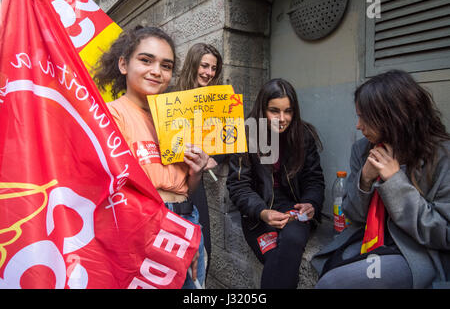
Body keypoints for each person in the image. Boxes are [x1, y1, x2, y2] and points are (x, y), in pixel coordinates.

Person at [93, 26, 209, 289]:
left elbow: (184, 190)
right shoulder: (110, 115)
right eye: (146, 60)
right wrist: (172, 237)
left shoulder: (174, 119)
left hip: (188, 221)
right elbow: (116, 191)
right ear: (123, 64)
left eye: (166, 65)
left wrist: (198, 170)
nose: (157, 71)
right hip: (146, 230)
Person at [312, 69, 450, 289]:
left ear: (393, 117)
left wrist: (395, 181)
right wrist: (365, 179)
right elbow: (353, 214)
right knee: (329, 267)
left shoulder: (442, 155)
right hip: (367, 238)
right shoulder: (362, 150)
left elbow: (444, 232)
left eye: (364, 117)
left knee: (332, 283)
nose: (358, 126)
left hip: (415, 251)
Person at [227, 78, 325, 289]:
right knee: (275, 257)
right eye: (274, 111)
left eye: (288, 111)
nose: (282, 119)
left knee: (291, 244)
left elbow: (314, 180)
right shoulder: (246, 134)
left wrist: (311, 203)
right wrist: (262, 212)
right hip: (258, 211)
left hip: (293, 209)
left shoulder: (303, 135)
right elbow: (238, 186)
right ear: (262, 109)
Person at [174, 43, 225, 279]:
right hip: (169, 184)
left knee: (203, 249)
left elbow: (232, 139)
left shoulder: (217, 102)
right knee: (174, 253)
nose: (209, 73)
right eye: (205, 65)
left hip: (196, 185)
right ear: (193, 64)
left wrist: (214, 158)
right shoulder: (169, 97)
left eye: (214, 68)